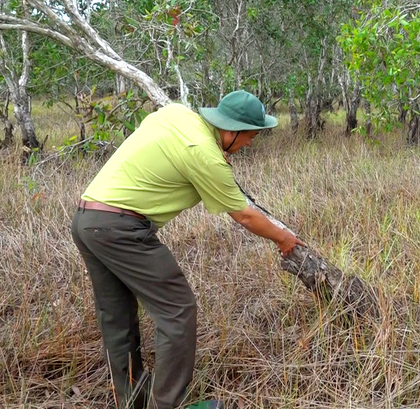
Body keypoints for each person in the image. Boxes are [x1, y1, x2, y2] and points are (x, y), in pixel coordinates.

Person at [70, 90, 304, 409]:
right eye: (249, 135)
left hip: (87, 220)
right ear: (230, 129)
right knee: (178, 310)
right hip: (120, 228)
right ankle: (165, 405)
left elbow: (160, 141)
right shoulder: (204, 154)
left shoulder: (178, 115)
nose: (250, 143)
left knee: (117, 317)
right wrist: (284, 239)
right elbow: (245, 215)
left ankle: (131, 401)